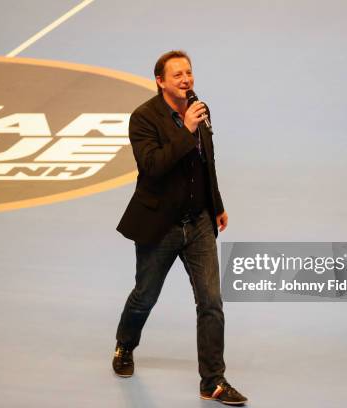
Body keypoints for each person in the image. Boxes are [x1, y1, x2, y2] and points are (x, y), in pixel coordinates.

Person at [113, 50, 247, 405]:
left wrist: (216, 204)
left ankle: (213, 381)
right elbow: (153, 167)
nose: (186, 79)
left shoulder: (199, 108)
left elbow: (207, 160)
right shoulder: (143, 119)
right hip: (161, 226)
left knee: (211, 301)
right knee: (145, 295)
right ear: (160, 81)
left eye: (188, 72)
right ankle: (125, 345)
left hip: (199, 222)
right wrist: (186, 129)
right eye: (177, 75)